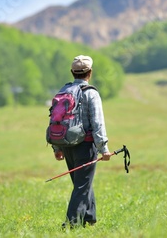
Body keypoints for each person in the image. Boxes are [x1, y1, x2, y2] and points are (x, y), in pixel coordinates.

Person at [52, 55, 112, 228]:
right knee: (82, 186)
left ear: (72, 72)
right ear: (90, 73)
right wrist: (104, 148)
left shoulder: (63, 91)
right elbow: (97, 123)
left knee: (82, 183)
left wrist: (57, 147)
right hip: (85, 146)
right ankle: (72, 225)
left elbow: (56, 120)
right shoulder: (91, 93)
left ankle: (89, 218)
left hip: (66, 144)